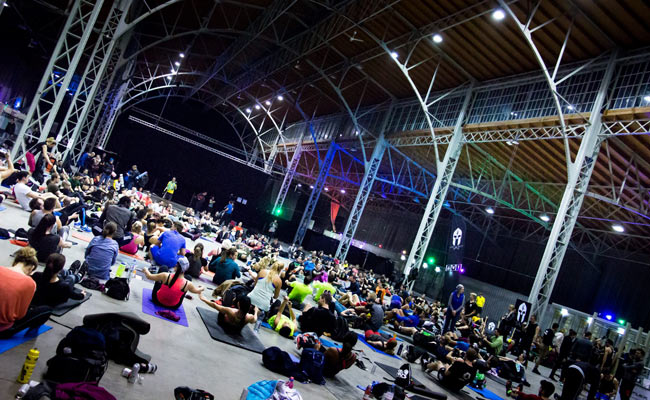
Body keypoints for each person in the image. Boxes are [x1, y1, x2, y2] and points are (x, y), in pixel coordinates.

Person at [0, 247, 50, 339]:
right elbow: (20, 315)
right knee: (46, 310)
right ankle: (31, 333)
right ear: (32, 267)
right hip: (3, 330)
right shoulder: (30, 283)